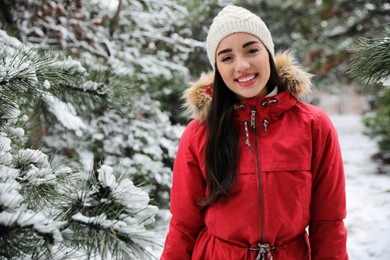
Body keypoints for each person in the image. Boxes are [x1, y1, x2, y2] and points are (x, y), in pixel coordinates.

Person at [161, 5, 348, 260]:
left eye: (251, 50)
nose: (242, 65)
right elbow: (184, 224)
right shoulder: (199, 134)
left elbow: (329, 221)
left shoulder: (314, 125)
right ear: (217, 68)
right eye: (226, 57)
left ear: (268, 53)